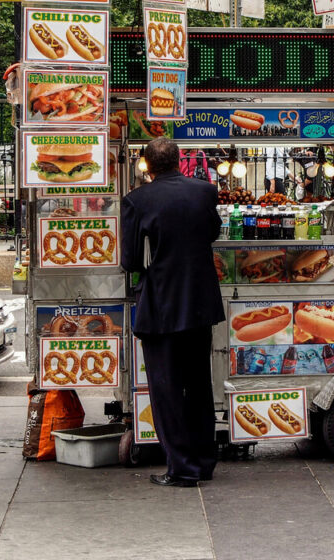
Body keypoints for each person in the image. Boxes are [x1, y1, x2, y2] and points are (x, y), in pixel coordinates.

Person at [121, 138, 223, 487]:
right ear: (180, 160)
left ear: (147, 165)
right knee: (198, 385)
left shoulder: (137, 200)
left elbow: (130, 261)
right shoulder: (205, 192)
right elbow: (213, 233)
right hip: (200, 301)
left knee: (166, 389)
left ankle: (181, 468)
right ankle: (204, 461)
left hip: (162, 303)